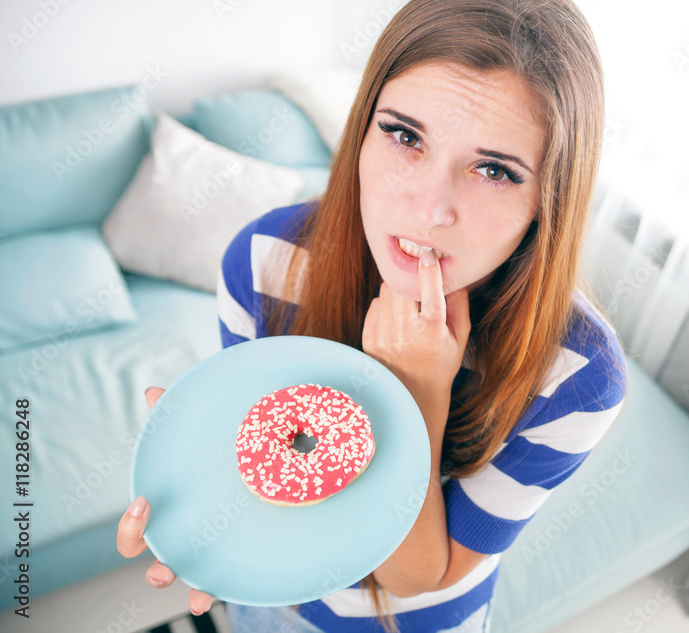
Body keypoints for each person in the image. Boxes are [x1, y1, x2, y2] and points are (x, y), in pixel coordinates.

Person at [116, 0, 628, 630]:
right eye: (404, 135)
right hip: (274, 599)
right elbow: (273, 456)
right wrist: (206, 492)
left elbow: (415, 575)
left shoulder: (577, 374)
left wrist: (416, 393)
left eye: (493, 170)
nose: (427, 208)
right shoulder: (263, 262)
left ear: (548, 199)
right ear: (360, 129)